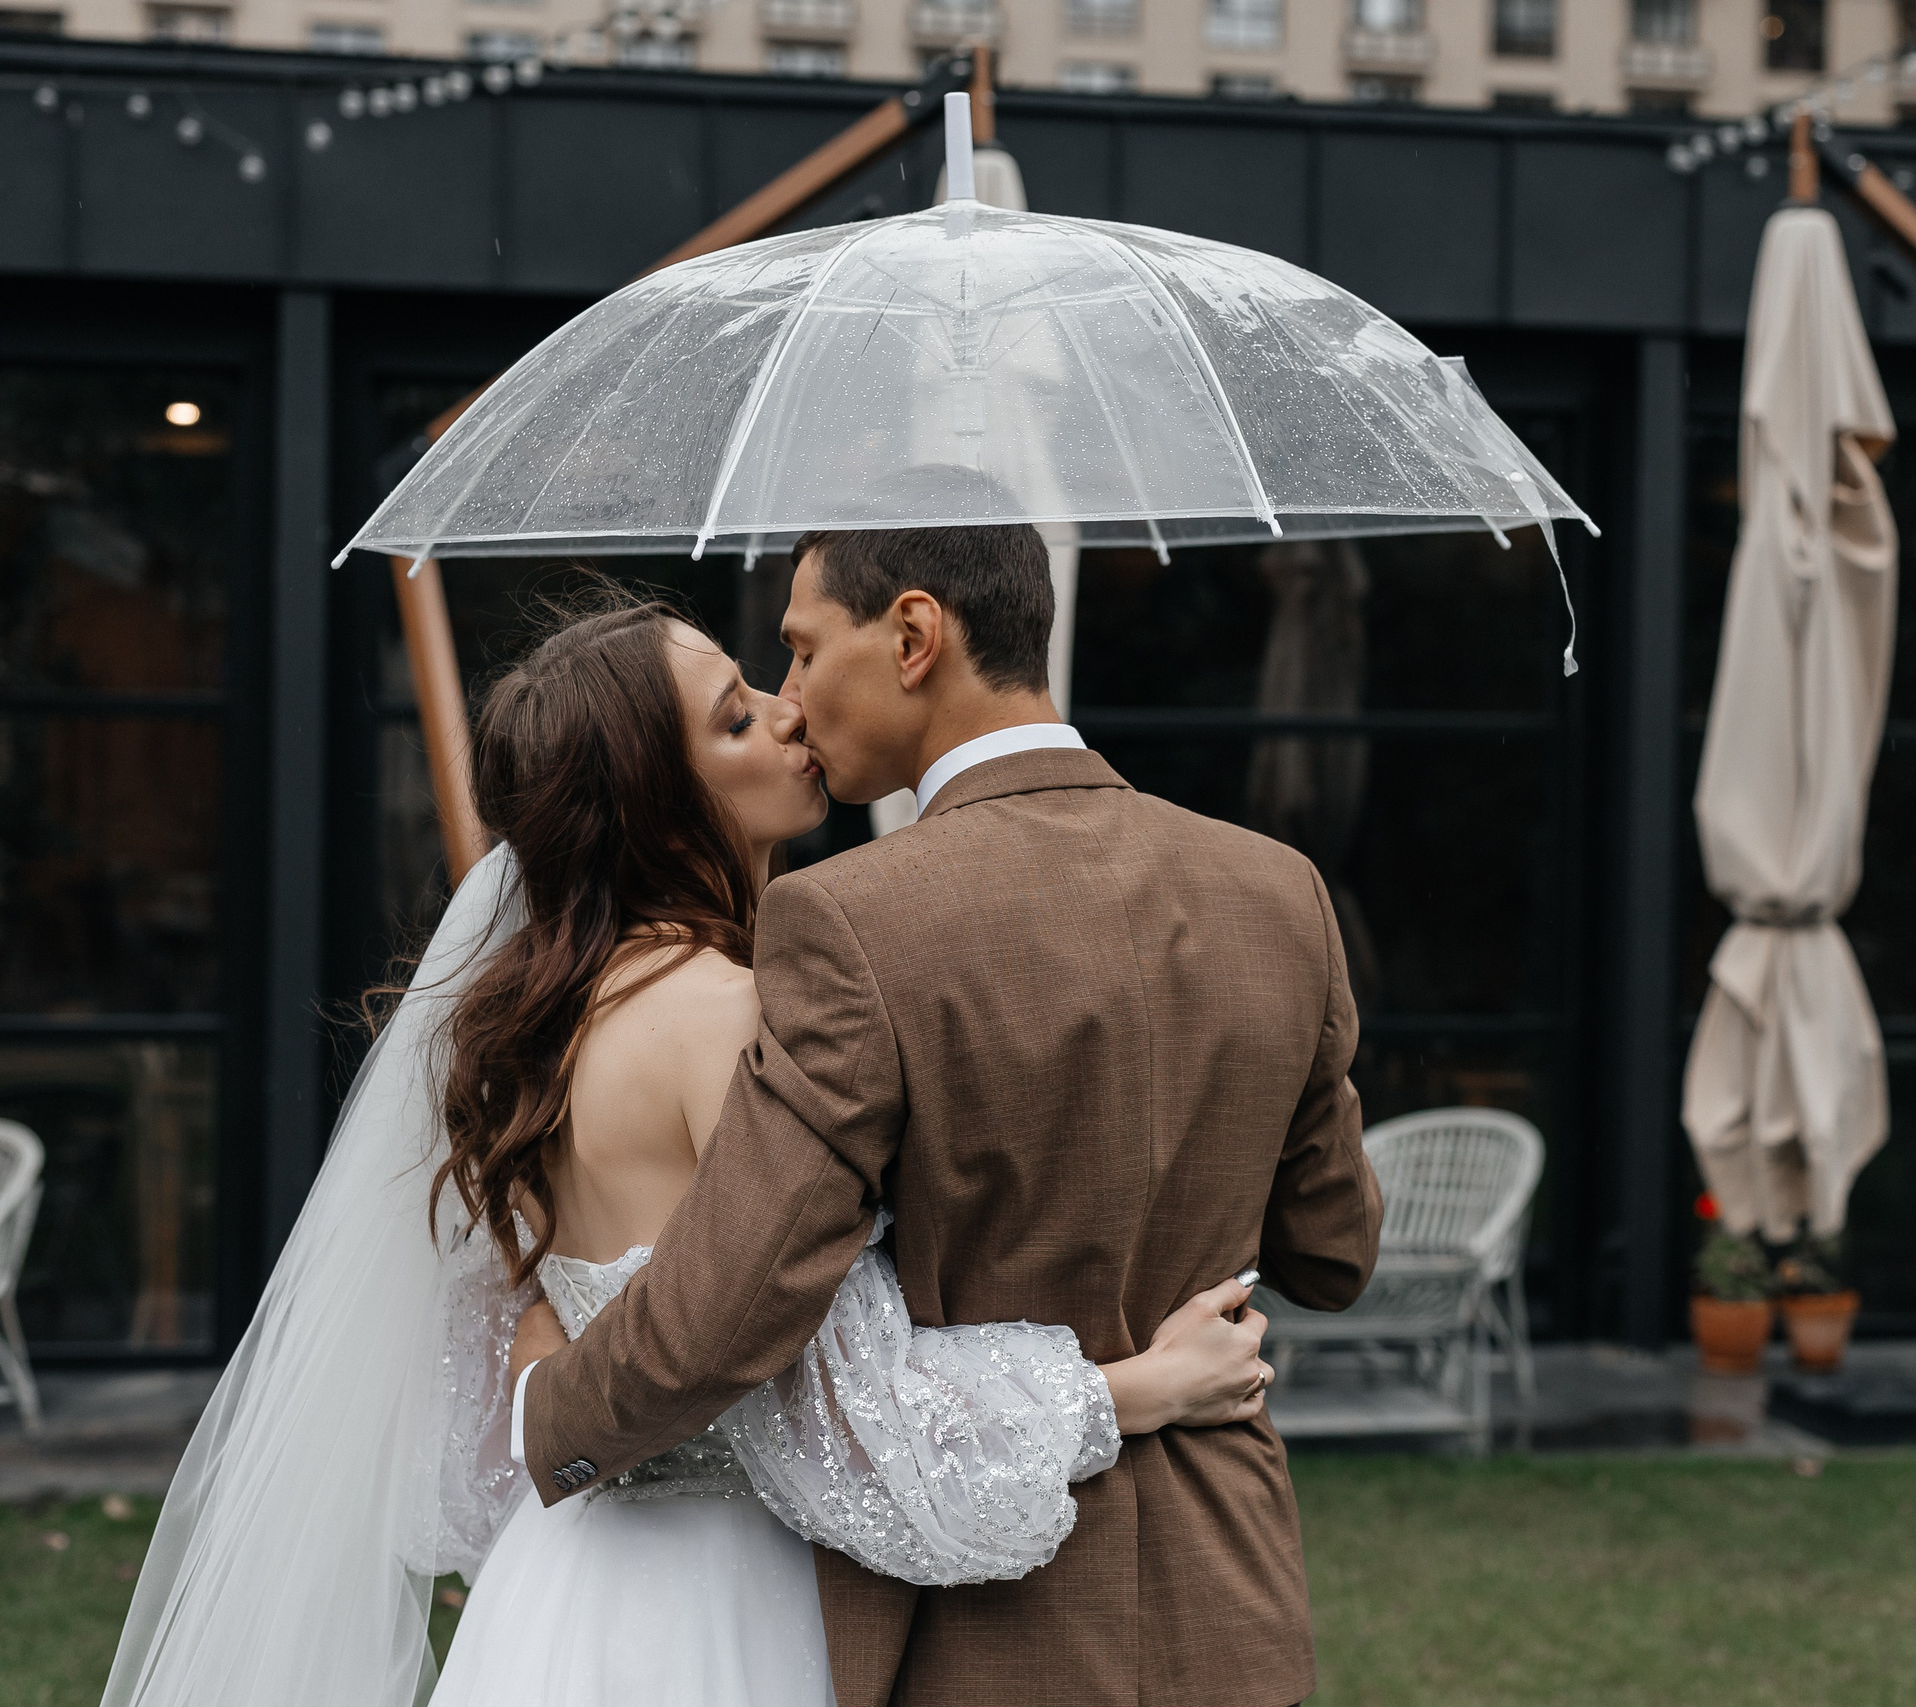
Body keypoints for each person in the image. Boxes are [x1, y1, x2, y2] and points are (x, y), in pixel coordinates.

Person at [100, 588, 1279, 1707]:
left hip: (565, 1593)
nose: (788, 709)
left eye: (762, 683)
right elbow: (831, 1409)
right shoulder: (720, 1015)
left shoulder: (550, 1020)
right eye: (735, 719)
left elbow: (503, 1376)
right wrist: (1129, 1392)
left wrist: (543, 1369)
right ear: (660, 802)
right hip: (724, 1604)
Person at [513, 521, 1382, 1707]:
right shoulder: (1279, 891)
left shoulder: (849, 920)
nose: (796, 699)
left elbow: (727, 1306)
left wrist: (543, 1412)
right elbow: (1333, 1254)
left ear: (914, 636)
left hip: (992, 1634)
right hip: (1229, 1603)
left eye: (806, 652)